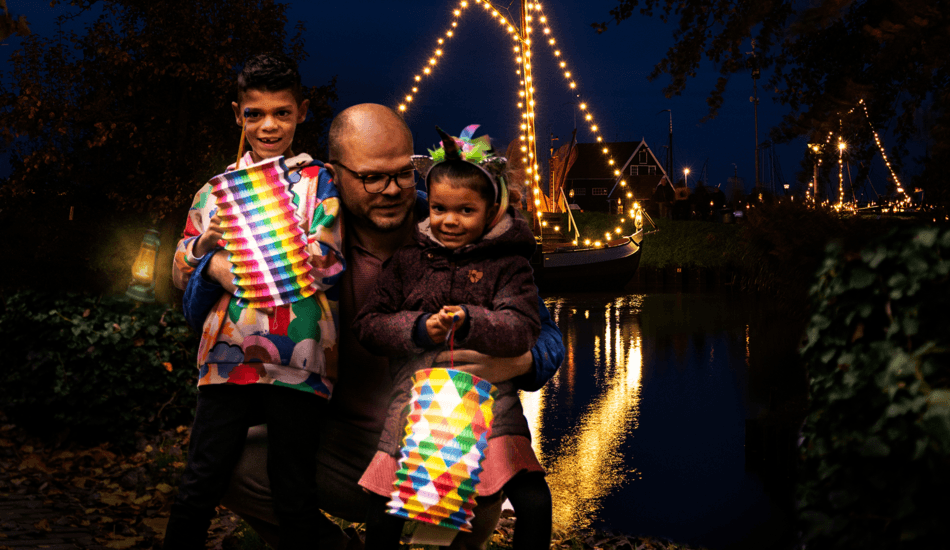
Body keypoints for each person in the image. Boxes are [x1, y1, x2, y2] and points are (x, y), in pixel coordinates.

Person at [177, 104, 564, 550]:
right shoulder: (307, 237)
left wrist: (523, 360)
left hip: (449, 438)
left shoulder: (454, 223)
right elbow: (200, 320)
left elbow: (546, 333)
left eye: (402, 173)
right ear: (334, 173)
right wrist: (210, 269)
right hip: (340, 443)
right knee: (232, 462)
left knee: (472, 514)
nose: (392, 189)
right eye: (372, 177)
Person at [166, 53, 345, 550]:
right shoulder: (215, 191)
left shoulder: (318, 183)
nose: (269, 125)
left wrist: (233, 263)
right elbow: (180, 270)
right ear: (237, 114)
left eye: (282, 113)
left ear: (302, 112)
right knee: (199, 482)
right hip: (226, 357)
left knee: (293, 489)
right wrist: (206, 248)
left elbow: (327, 264)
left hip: (300, 355)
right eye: (255, 113)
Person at [353, 127, 551, 549]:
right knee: (386, 502)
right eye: (440, 208)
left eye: (465, 211)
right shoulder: (407, 260)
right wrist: (421, 327)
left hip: (491, 402)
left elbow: (523, 327)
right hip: (415, 404)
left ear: (491, 211)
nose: (448, 220)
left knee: (533, 501)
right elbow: (369, 324)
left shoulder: (510, 266)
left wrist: (471, 320)